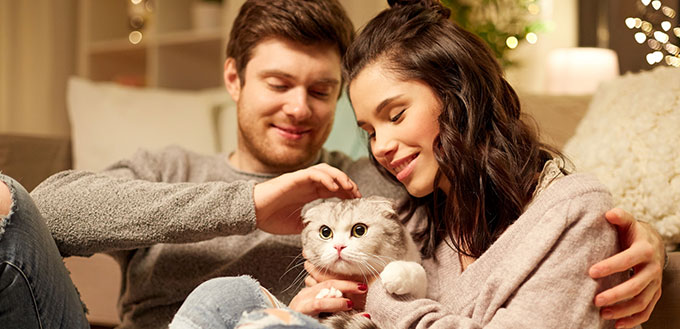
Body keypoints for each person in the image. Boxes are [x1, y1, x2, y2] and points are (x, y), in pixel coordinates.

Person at [0, 0, 665, 328]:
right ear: (234, 78)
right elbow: (51, 212)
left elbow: (504, 198)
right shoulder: (170, 169)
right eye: (278, 83)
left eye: (321, 92)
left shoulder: (372, 181)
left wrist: (653, 244)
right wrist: (250, 205)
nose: (299, 107)